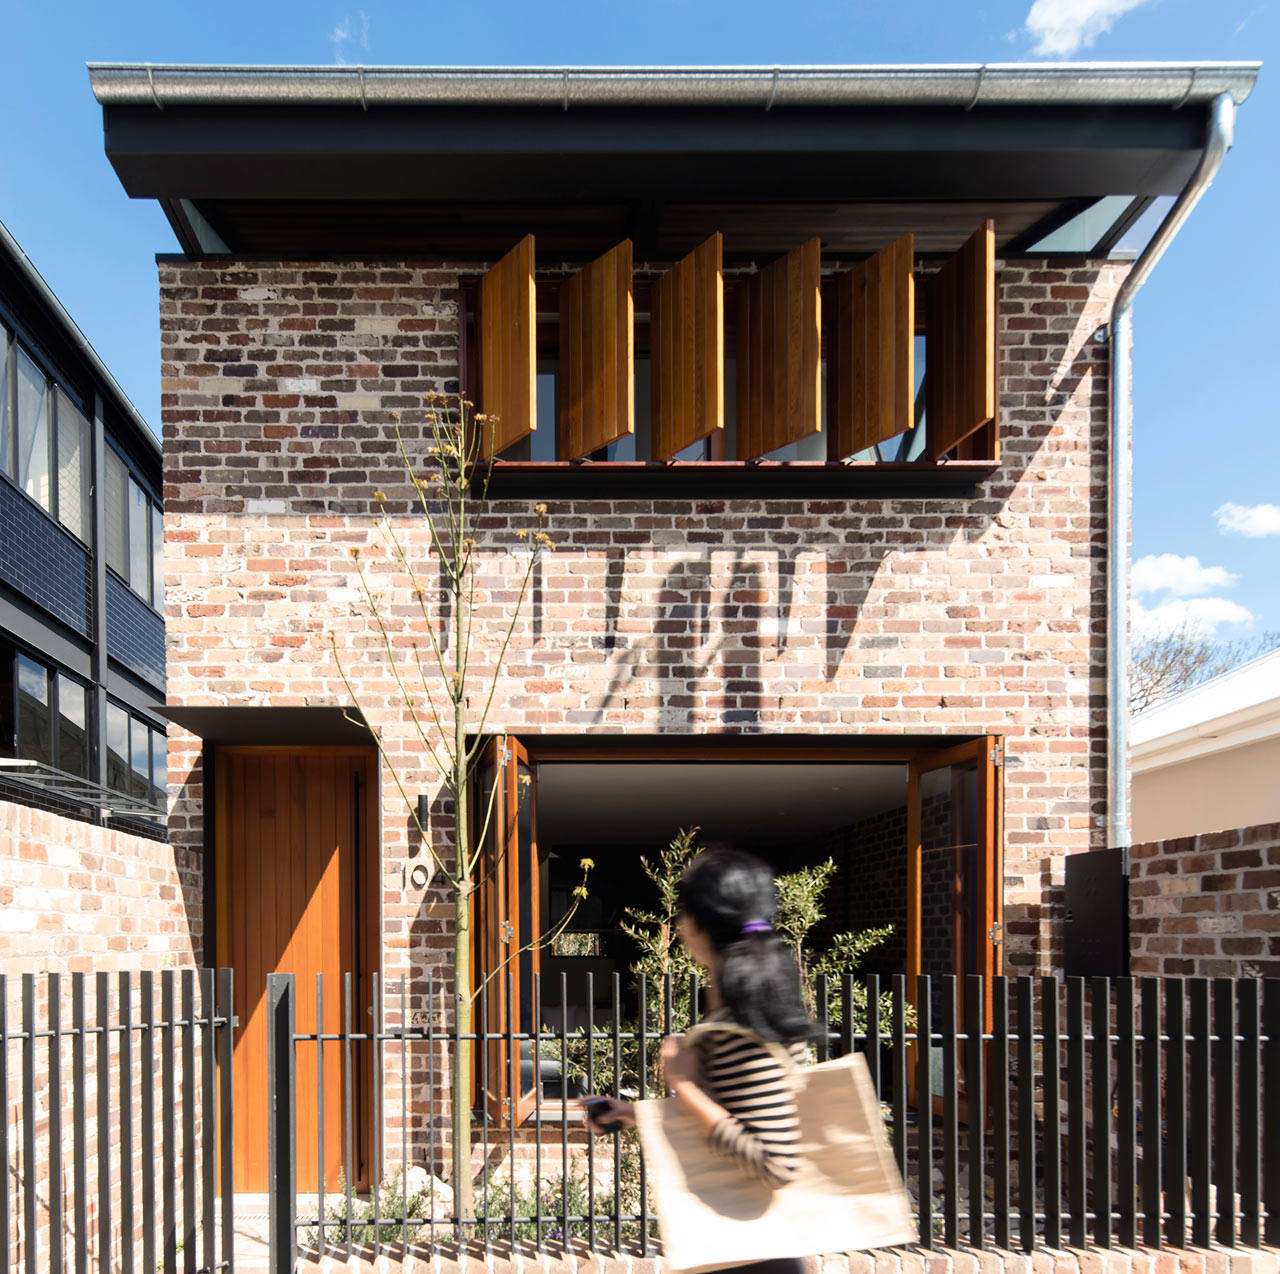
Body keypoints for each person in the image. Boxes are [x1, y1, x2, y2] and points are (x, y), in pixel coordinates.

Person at [580, 849, 814, 1274]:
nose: (679, 923)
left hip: (750, 1257)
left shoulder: (742, 1026)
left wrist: (684, 1086)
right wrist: (635, 1114)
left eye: (683, 910)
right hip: (750, 1248)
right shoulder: (754, 1008)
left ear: (699, 924)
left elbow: (776, 1162)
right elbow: (739, 1108)